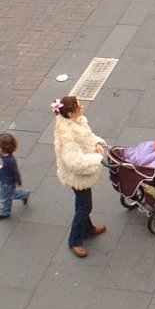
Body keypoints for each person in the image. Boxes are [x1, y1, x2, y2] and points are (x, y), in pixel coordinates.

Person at [52, 96, 107, 258]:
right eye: (78, 106)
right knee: (84, 207)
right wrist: (97, 159)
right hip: (78, 176)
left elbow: (87, 138)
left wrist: (96, 143)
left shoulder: (77, 121)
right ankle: (75, 240)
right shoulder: (67, 136)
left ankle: (88, 228)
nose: (82, 107)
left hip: (81, 174)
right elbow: (74, 162)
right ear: (70, 113)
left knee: (82, 203)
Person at [0, 133, 29, 220]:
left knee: (5, 197)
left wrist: (19, 182)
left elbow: (16, 172)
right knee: (10, 194)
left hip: (9, 182)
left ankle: (5, 212)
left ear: (4, 148)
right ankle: (24, 194)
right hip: (2, 180)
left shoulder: (10, 160)